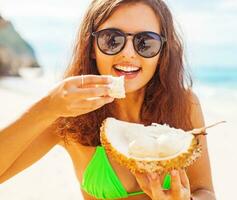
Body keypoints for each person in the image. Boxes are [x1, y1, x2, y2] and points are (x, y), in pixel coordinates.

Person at [0, 0, 216, 199]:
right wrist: (46, 107)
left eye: (146, 43)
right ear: (91, 47)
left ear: (163, 52)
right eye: (112, 40)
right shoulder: (69, 115)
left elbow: (204, 191)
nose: (128, 53)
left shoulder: (184, 104)